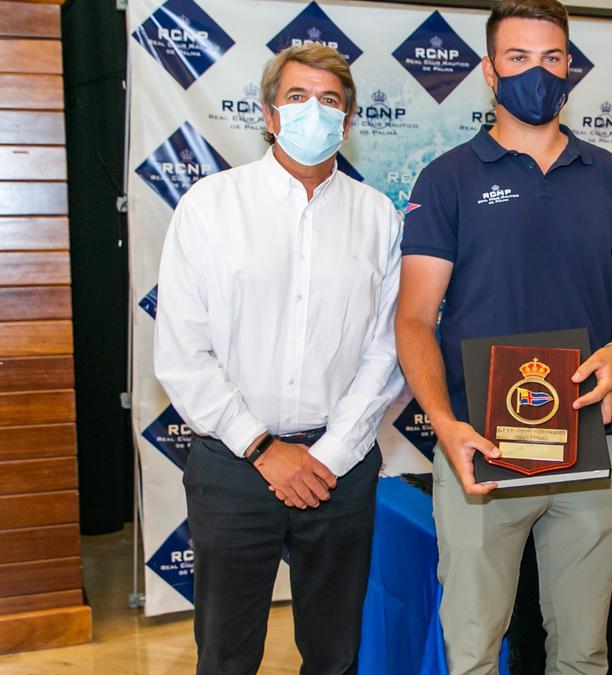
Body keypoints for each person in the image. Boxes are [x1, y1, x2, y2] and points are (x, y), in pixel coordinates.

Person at [393, 0, 612, 672]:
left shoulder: (610, 177)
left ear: (570, 67)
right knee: (474, 648)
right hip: (480, 445)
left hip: (593, 442)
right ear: (489, 70)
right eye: (517, 58)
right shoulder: (447, 178)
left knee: (583, 650)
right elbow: (414, 318)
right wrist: (442, 422)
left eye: (551, 58)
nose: (535, 73)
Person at [154, 44, 404, 674]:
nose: (312, 112)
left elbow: (386, 349)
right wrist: (264, 449)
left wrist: (328, 453)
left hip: (338, 468)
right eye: (296, 98)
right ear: (268, 115)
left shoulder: (378, 217)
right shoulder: (210, 207)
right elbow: (183, 353)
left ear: (347, 122)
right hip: (235, 467)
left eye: (329, 100)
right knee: (227, 653)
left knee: (334, 652)